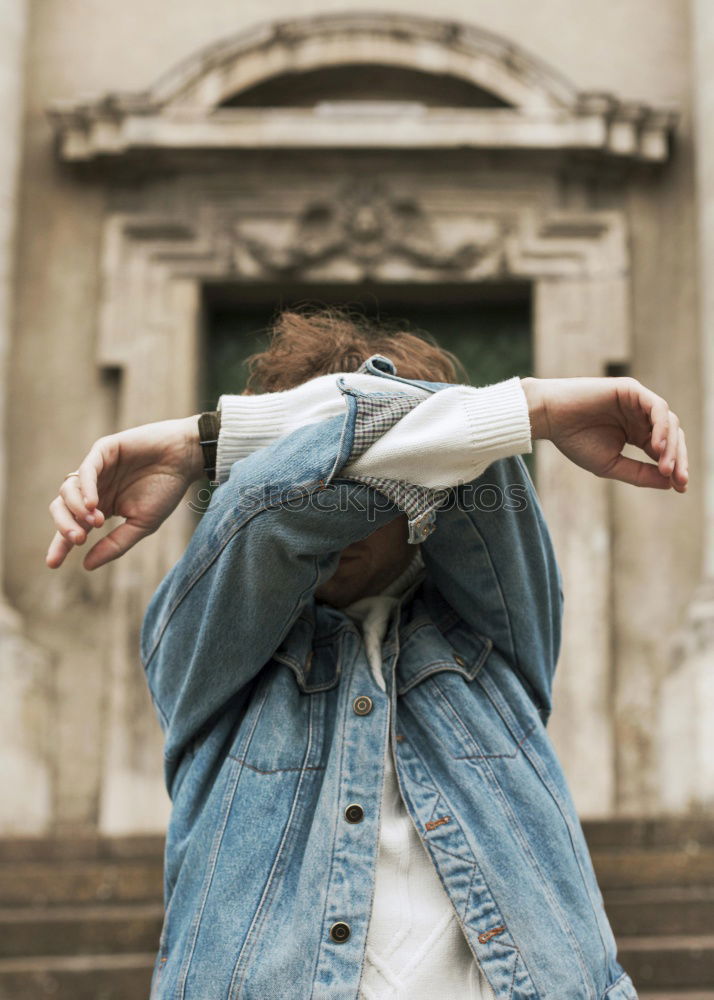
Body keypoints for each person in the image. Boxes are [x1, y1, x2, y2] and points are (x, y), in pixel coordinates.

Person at [46, 309, 687, 1000]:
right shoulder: (206, 645)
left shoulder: (496, 632)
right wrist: (528, 408)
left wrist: (204, 440)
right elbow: (276, 507)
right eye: (294, 461)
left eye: (397, 473)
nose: (336, 518)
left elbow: (464, 474)